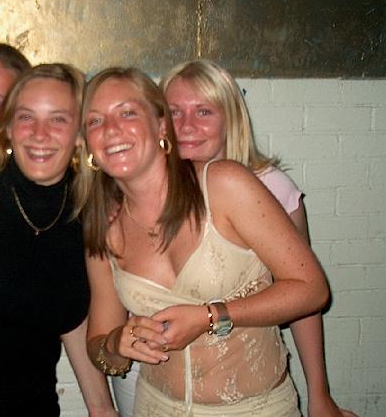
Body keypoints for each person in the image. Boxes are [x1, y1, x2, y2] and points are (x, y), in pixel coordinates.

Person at [81, 67, 329, 416]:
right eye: (95, 121)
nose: (110, 129)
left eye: (127, 113)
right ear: (87, 143)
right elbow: (98, 342)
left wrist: (211, 317)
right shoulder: (105, 227)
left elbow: (312, 290)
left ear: (161, 126)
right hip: (155, 407)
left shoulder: (224, 184)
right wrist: (115, 345)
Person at [156, 59, 356, 417]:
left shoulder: (271, 186)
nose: (186, 125)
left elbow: (303, 297)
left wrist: (319, 394)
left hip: (247, 388)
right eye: (174, 112)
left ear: (230, 118)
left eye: (204, 111)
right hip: (158, 383)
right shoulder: (152, 187)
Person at [0, 64, 117, 416]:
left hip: (36, 407)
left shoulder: (89, 210)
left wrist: (102, 408)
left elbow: (73, 319)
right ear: (9, 128)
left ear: (80, 133)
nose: (39, 134)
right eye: (26, 117)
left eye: (57, 119)